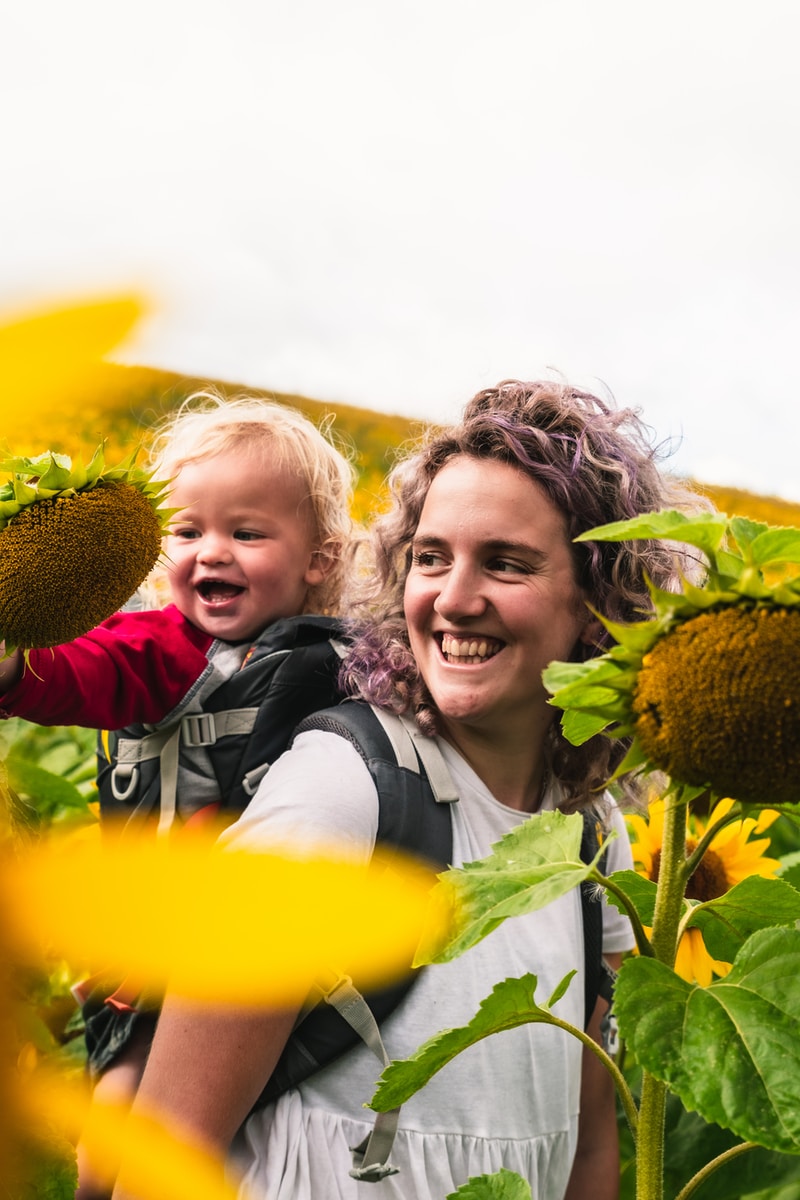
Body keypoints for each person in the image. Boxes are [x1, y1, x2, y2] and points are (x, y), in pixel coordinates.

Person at [112, 380, 702, 1200]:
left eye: (505, 563)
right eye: (431, 557)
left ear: (597, 599)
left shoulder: (594, 836)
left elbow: (588, 1141)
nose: (453, 600)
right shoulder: (342, 791)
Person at [0, 391, 355, 1198]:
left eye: (247, 532)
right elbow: (87, 670)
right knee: (117, 1136)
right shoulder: (168, 648)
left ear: (320, 559)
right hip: (152, 948)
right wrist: (16, 667)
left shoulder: (347, 663)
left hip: (265, 953)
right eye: (188, 532)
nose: (212, 553)